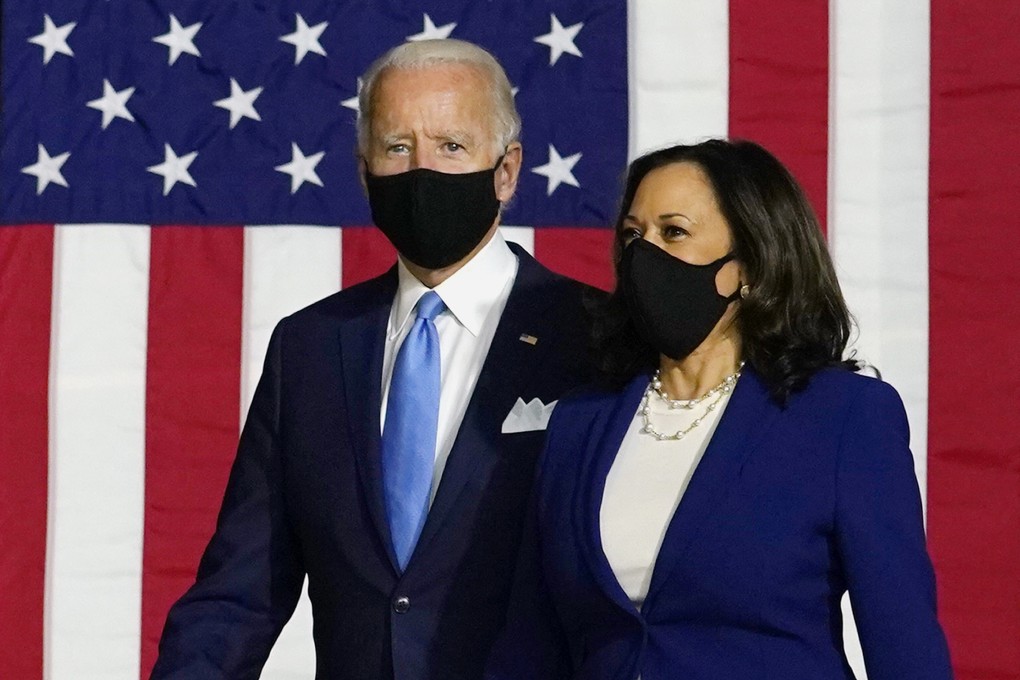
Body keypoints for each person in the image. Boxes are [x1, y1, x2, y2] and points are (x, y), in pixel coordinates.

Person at [150, 39, 595, 680]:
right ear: (364, 171)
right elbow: (239, 592)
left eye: (451, 146)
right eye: (397, 148)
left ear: (507, 169)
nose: (422, 170)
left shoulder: (597, 339)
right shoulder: (307, 348)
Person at [485, 139, 954, 679]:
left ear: (749, 263)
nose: (644, 253)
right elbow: (529, 647)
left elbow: (904, 643)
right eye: (633, 234)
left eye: (674, 232)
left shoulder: (843, 417)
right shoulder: (579, 422)